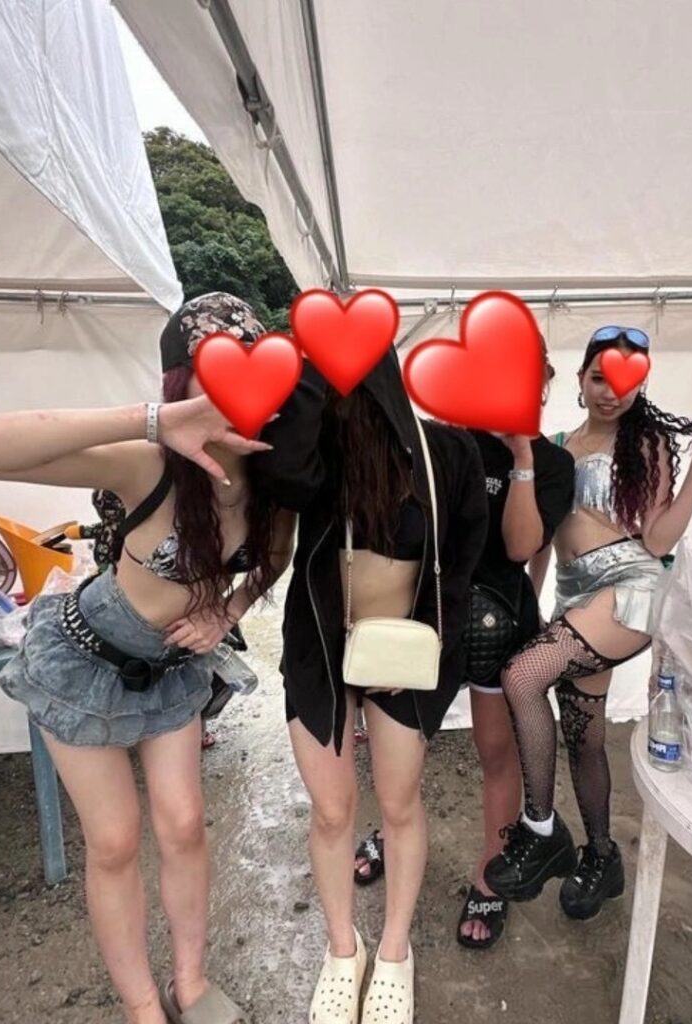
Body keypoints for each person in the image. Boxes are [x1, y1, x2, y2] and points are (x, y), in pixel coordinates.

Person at [0, 293, 296, 1024]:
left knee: (184, 824)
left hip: (169, 671)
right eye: (210, 374)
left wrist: (226, 611)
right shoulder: (150, 462)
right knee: (112, 842)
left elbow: (275, 556)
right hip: (82, 660)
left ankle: (190, 984)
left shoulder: (275, 477)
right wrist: (153, 421)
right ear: (181, 383)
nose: (236, 390)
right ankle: (142, 1006)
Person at [250, 349, 487, 1024]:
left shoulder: (447, 453)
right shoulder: (315, 454)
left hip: (405, 654)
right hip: (321, 649)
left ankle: (393, 953)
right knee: (331, 811)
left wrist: (436, 639)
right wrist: (306, 374)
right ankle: (341, 950)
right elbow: (282, 474)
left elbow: (463, 560)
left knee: (398, 802)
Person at [485, 325, 692, 922]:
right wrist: (535, 604)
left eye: (625, 382)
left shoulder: (644, 443)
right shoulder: (556, 446)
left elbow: (658, 539)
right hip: (576, 599)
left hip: (630, 587)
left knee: (522, 677)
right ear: (581, 378)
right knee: (584, 736)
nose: (610, 392)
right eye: (599, 378)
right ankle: (602, 857)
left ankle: (541, 829)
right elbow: (542, 540)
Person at [350, 343, 576, 952]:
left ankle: (488, 876)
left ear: (545, 383)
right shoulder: (450, 441)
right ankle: (391, 832)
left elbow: (520, 547)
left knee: (496, 751)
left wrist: (522, 455)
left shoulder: (554, 463)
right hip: (430, 613)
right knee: (404, 741)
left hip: (497, 621)